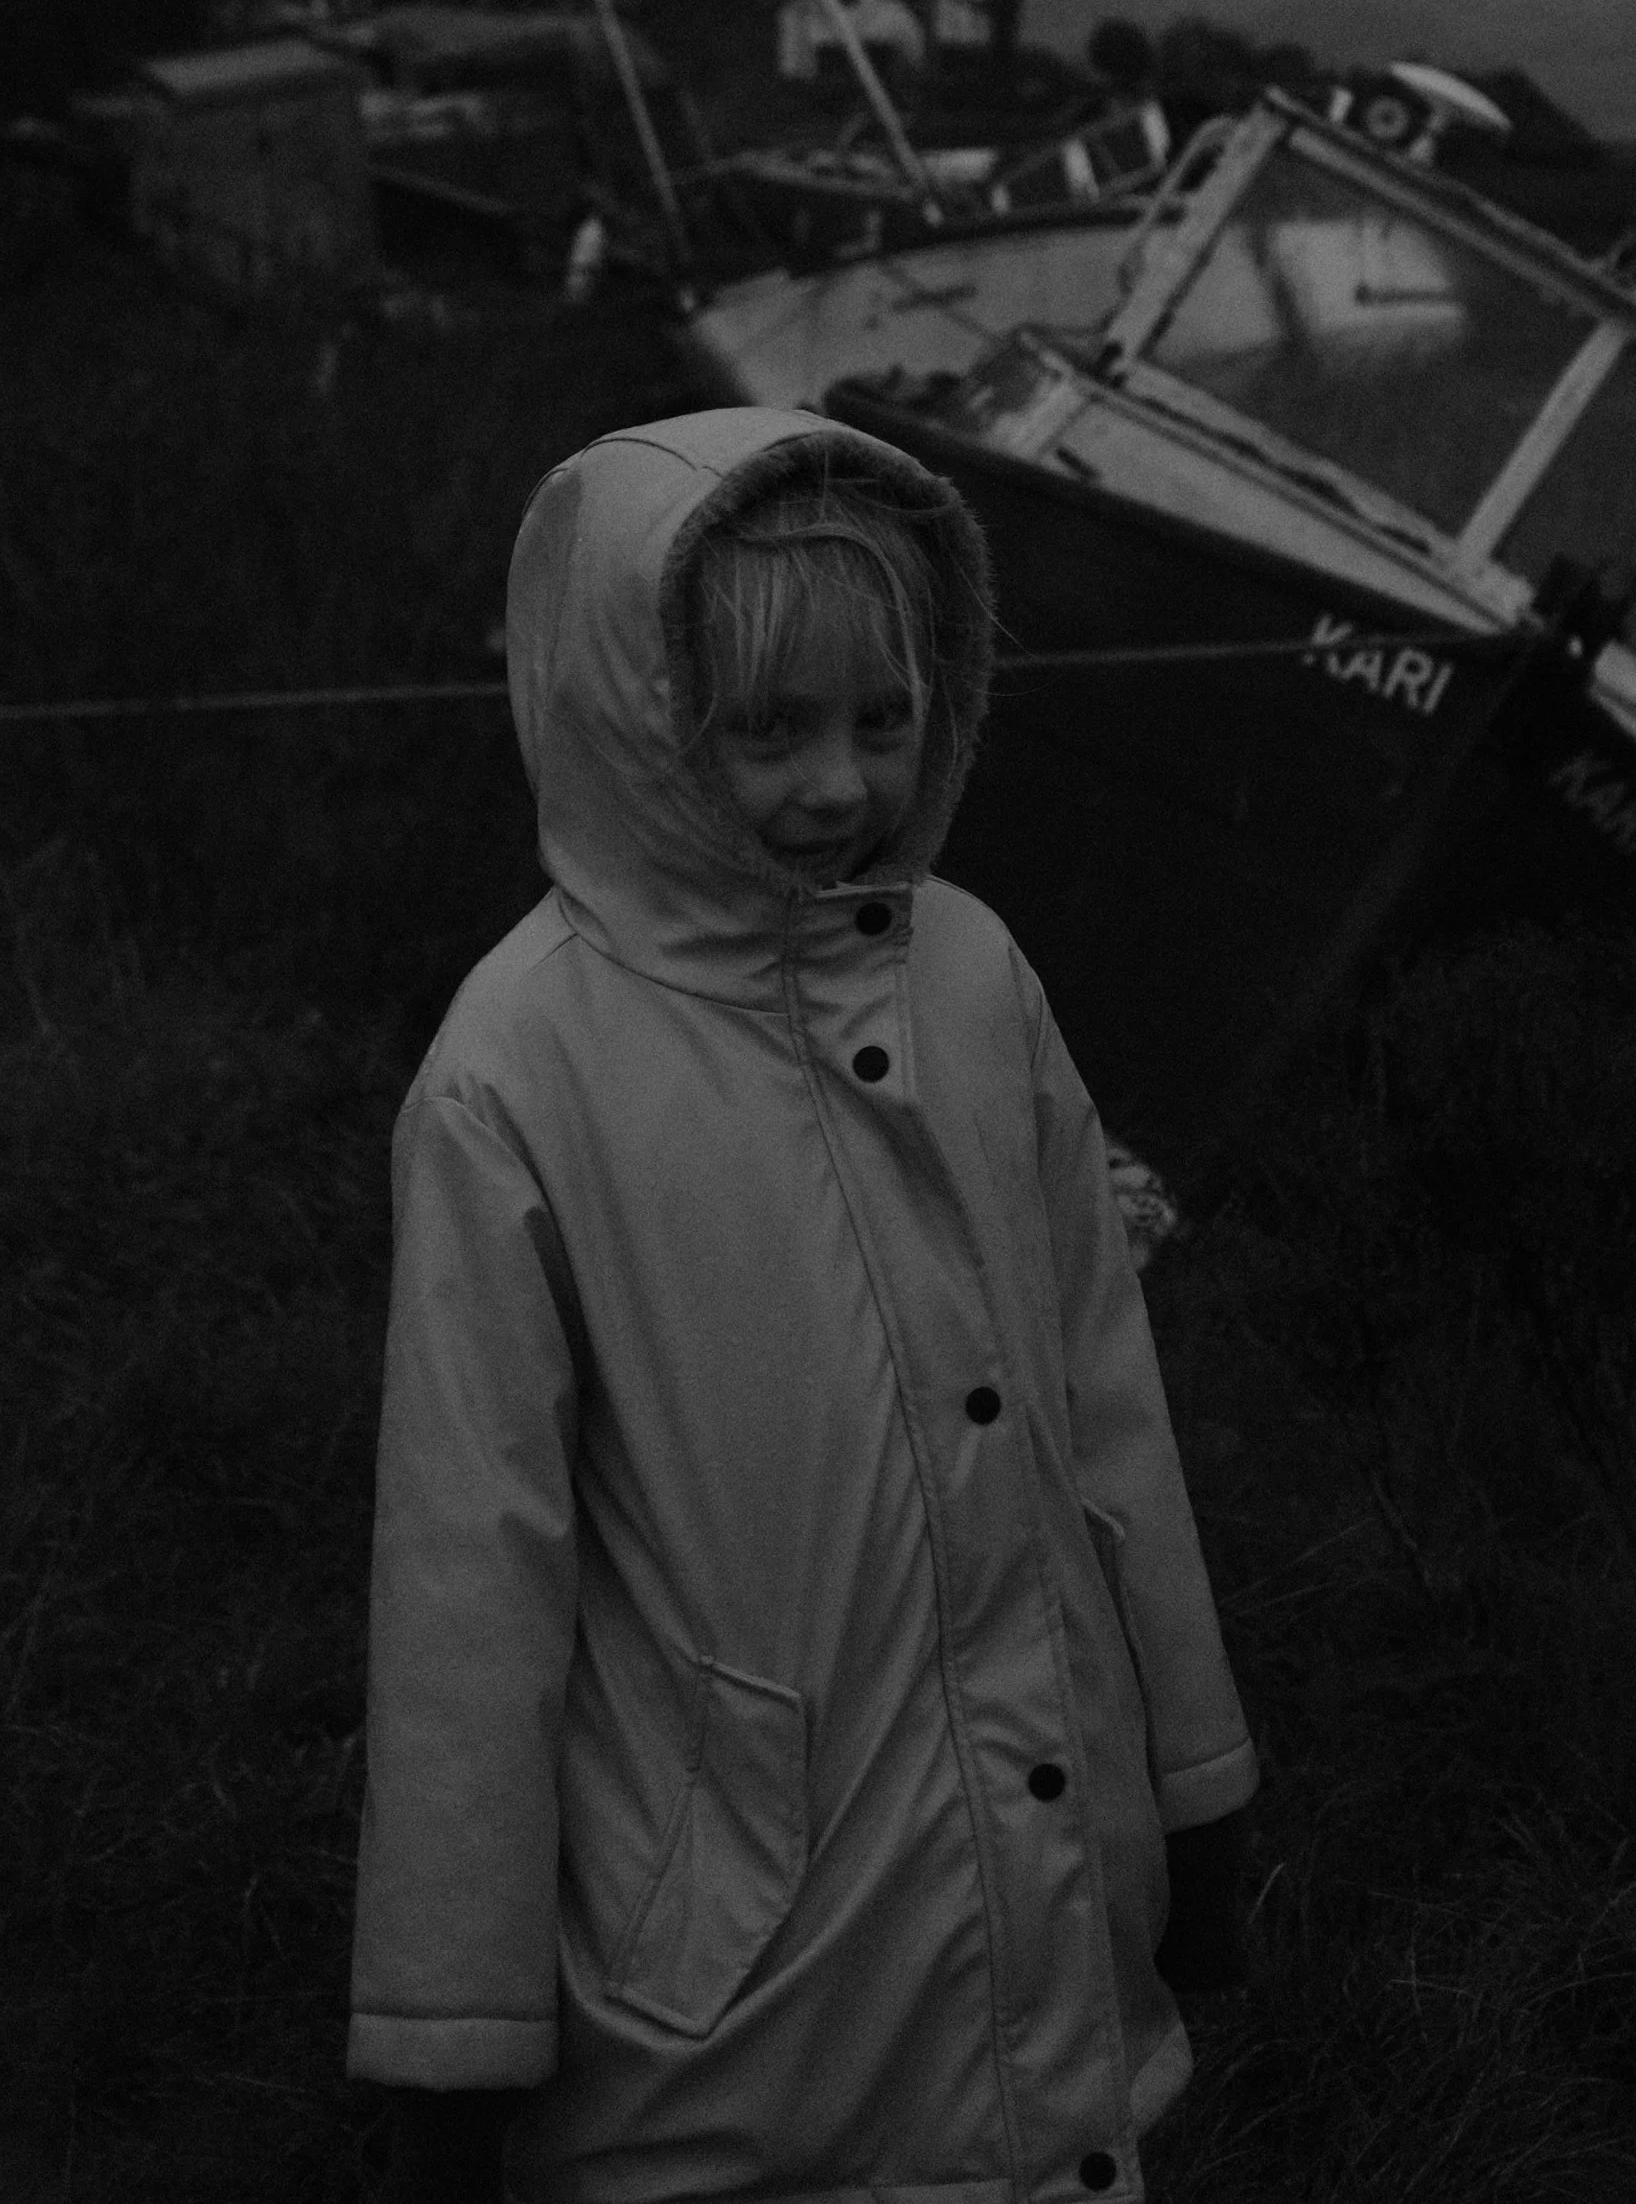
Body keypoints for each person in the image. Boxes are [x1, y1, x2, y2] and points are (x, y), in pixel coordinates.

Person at [350, 405, 1258, 2201]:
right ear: (641, 710)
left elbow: (1108, 1404)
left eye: (882, 718)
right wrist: (453, 2036)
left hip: (1048, 1895)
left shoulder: (975, 972)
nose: (840, 785)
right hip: (733, 2000)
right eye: (767, 727)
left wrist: (1196, 1788)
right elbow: (470, 1584)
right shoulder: (514, 1072)